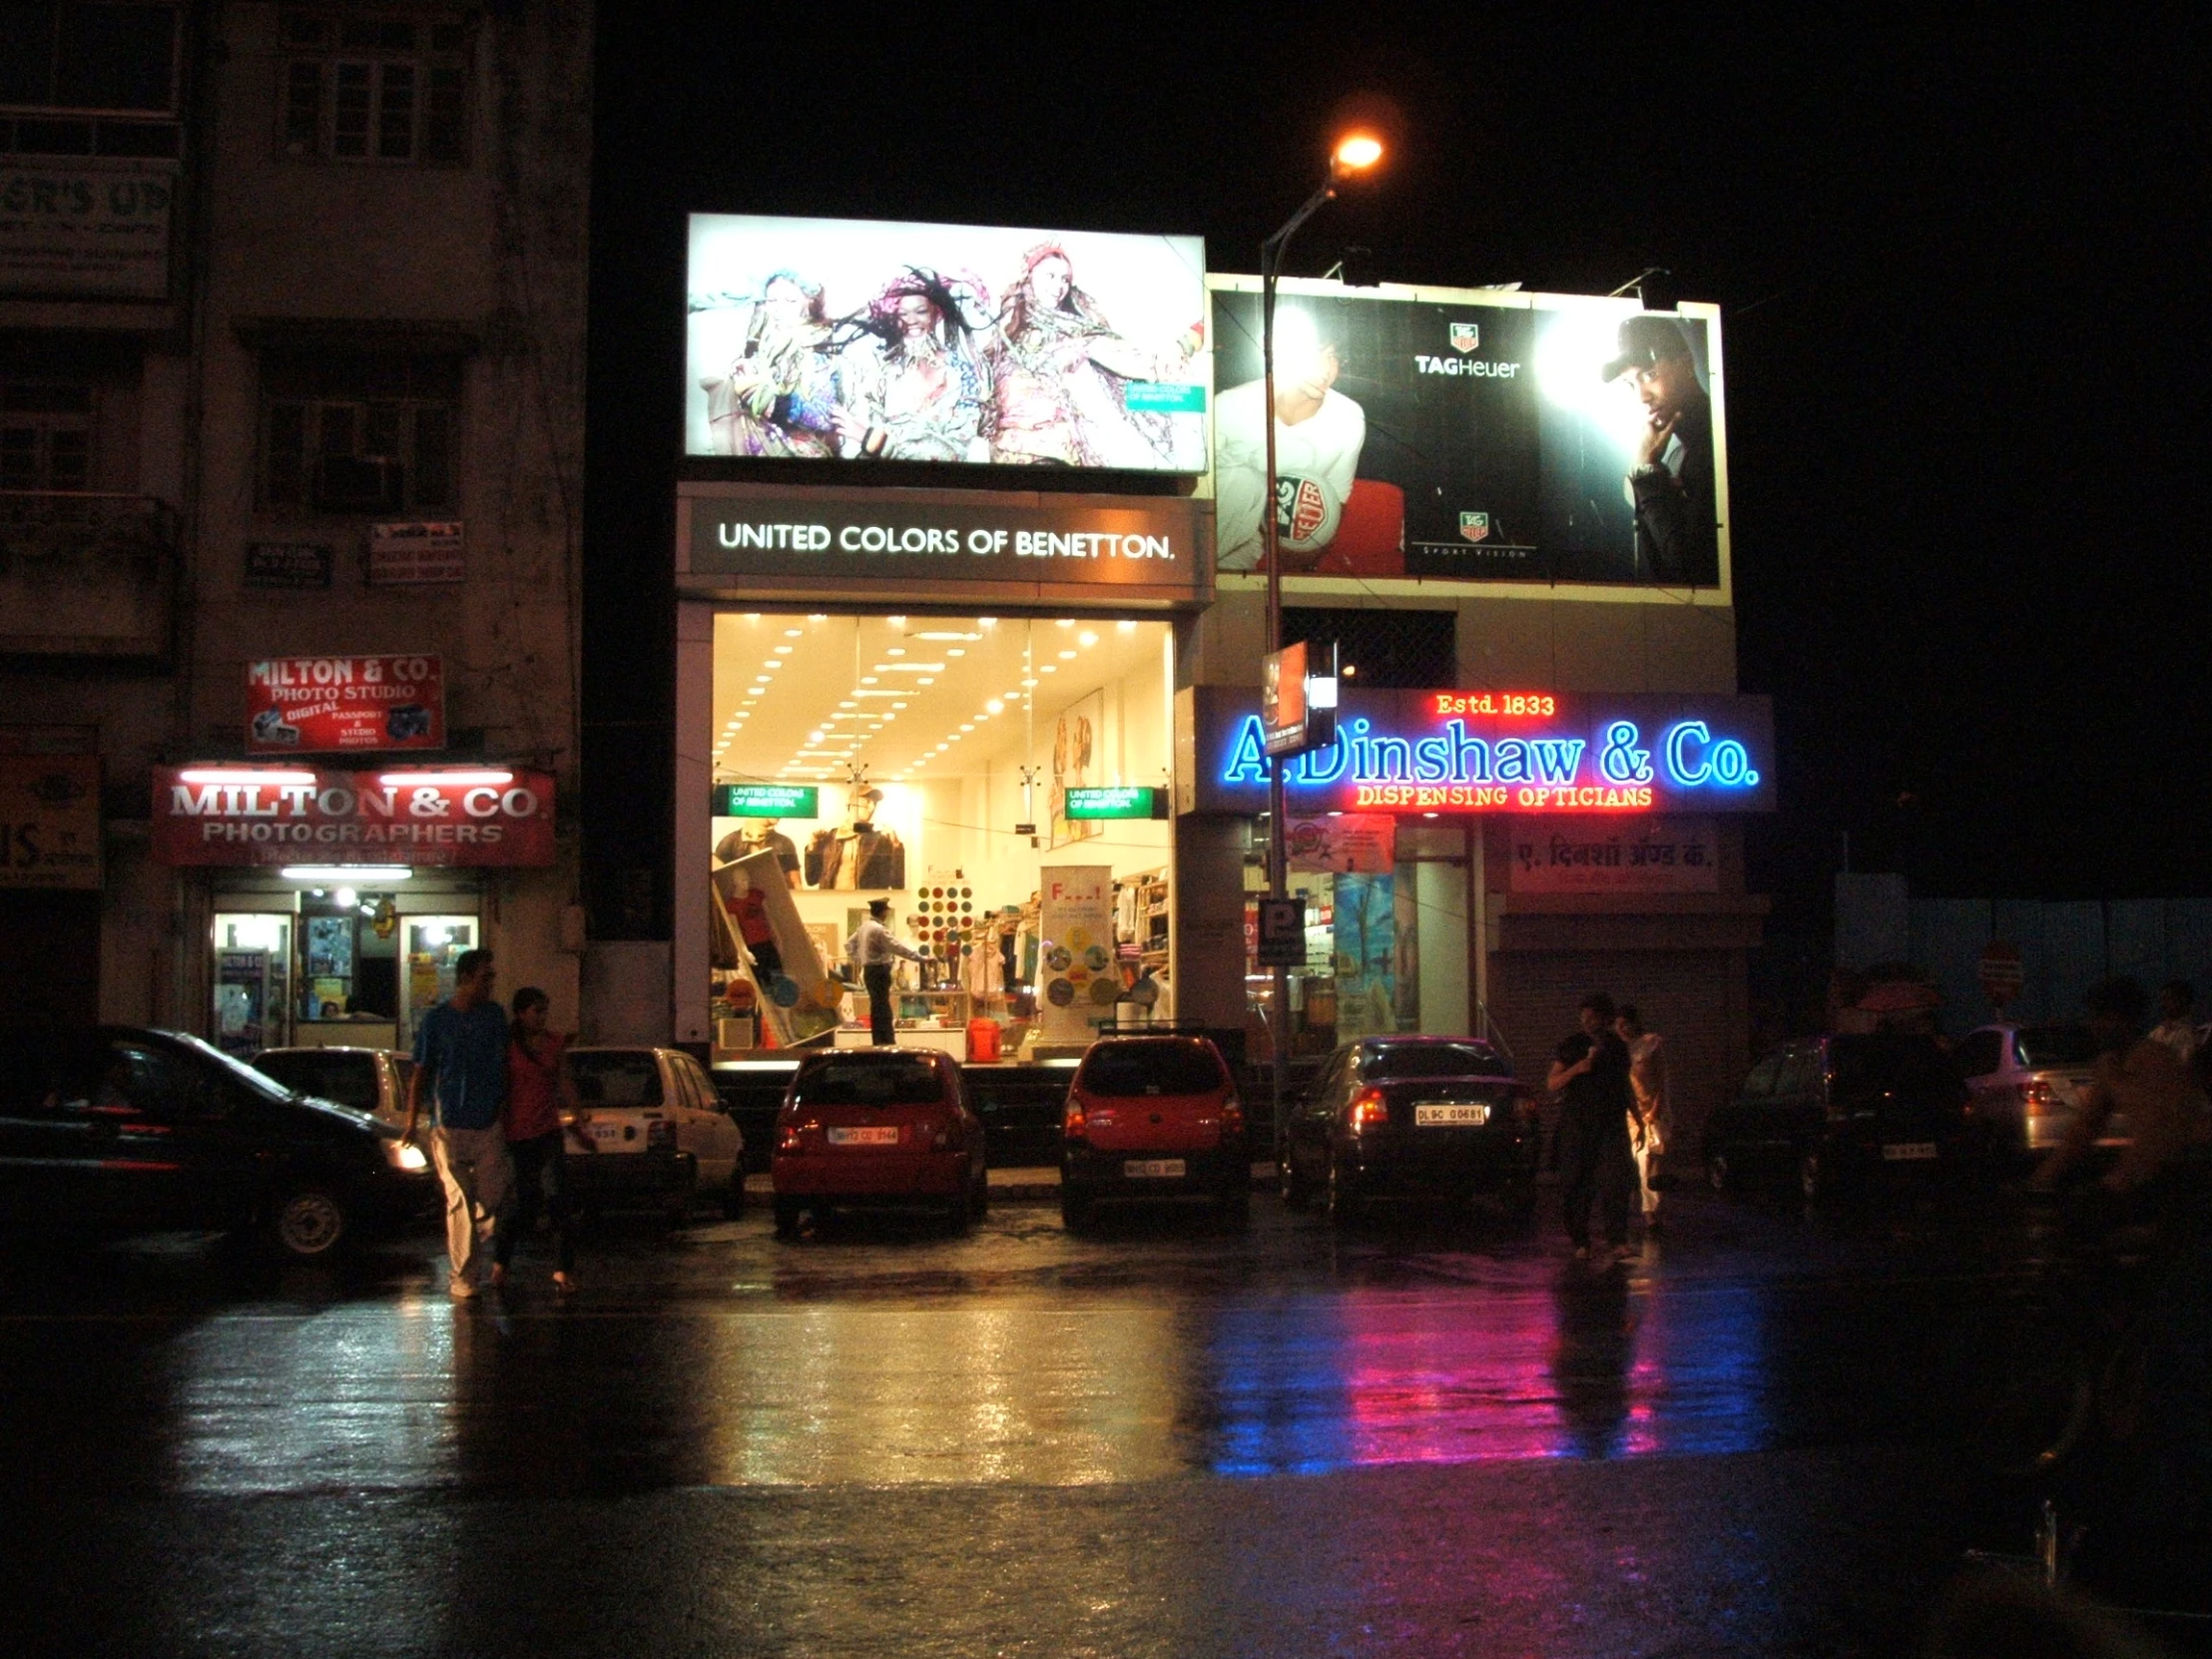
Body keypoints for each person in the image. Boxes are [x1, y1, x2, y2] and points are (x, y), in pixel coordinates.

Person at [989, 241, 1199, 468]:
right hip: (1006, 455)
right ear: (1029, 276)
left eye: (1065, 279)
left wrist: (1188, 342)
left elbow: (1132, 360)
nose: (1059, 286)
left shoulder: (1077, 333)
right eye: (1050, 275)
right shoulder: (1005, 334)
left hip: (1060, 455)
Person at [1213, 307, 1366, 572]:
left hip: (1252, 548)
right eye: (1316, 354)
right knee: (1245, 483)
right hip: (1205, 533)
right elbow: (1190, 491)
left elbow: (1334, 504)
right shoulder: (1229, 406)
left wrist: (1300, 567)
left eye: (1333, 357)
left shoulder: (1348, 418)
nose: (1327, 369)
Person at [2034, 976, 2212, 1197]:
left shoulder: (2155, 1060)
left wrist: (2121, 1179)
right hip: (2159, 1168)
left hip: (2193, 1163)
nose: (2094, 1026)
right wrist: (2042, 1177)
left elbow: (2161, 1131)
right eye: (2094, 1017)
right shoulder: (2110, 1064)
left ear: (2125, 1021)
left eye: (2103, 1018)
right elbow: (2085, 1127)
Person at [404, 949, 512, 1299]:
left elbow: (507, 1065)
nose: (491, 984)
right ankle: (464, 1278)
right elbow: (421, 1072)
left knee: (491, 1197)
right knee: (458, 1201)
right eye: (486, 977)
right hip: (449, 1123)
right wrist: (411, 1121)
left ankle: (476, 1241)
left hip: (487, 1122)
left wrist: (504, 1107)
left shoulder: (494, 1017)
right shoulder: (437, 1021)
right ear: (465, 979)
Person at [830, 269, 994, 463]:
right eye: (903, 314)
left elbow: (958, 451)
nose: (911, 321)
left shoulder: (960, 373)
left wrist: (875, 441)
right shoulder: (882, 373)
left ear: (936, 314)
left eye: (921, 311)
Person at [1602, 314, 1719, 585]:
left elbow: (1690, 572)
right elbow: (1664, 576)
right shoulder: (1679, 454)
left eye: (1650, 374)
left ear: (1686, 363)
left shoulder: (1715, 446)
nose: (1642, 396)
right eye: (1631, 384)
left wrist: (1646, 473)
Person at [697, 272, 838, 457]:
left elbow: (827, 416)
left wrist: (775, 403)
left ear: (809, 302)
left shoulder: (817, 348)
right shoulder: (767, 344)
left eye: (790, 301)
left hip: (803, 458)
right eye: (772, 301)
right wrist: (749, 372)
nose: (779, 308)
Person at [492, 986, 576, 1293]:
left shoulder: (554, 1043)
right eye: (536, 1011)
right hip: (517, 1133)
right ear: (521, 1013)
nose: (542, 1017)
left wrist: (578, 1115)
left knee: (557, 1198)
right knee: (521, 1202)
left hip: (547, 1130)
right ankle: (501, 1261)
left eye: (544, 1010)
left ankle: (563, 1269)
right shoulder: (509, 1045)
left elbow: (564, 1079)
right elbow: (501, 1087)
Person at [1547, 991, 1638, 1266]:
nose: (1588, 1022)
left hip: (1611, 1124)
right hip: (1578, 1125)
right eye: (1584, 1017)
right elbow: (1552, 1083)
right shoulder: (1572, 1046)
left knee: (1616, 1182)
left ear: (1606, 1019)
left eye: (1594, 1017)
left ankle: (1618, 1239)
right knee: (1577, 1184)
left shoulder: (1618, 1048)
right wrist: (1577, 1069)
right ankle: (1581, 1241)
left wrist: (1638, 1117)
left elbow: (1625, 1085)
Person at [1615, 1004, 1670, 1235]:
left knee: (1652, 1160)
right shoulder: (1618, 1050)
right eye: (1618, 1026)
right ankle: (1642, 1211)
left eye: (1625, 1024)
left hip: (1653, 1109)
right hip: (1629, 1112)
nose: (1622, 1029)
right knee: (1636, 1160)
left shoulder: (1651, 1043)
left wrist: (1655, 1109)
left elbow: (1661, 1078)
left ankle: (1652, 1210)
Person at [846, 897, 921, 1046]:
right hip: (880, 970)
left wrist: (860, 959)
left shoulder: (864, 926)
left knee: (876, 1007)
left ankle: (878, 1040)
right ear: (883, 912)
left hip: (869, 971)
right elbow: (898, 948)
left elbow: (849, 944)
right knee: (883, 1008)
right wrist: (922, 958)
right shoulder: (879, 930)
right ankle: (887, 1040)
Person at [732, 879, 782, 985]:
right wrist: (744, 950)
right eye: (743, 880)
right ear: (736, 882)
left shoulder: (756, 895)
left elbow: (769, 916)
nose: (746, 882)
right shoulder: (732, 904)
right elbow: (736, 930)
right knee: (760, 979)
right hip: (752, 945)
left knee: (777, 975)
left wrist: (777, 935)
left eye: (747, 879)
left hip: (767, 941)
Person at [2148, 979, 2198, 1064]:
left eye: (2168, 999)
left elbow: (2183, 1065)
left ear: (2183, 1001)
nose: (2163, 1004)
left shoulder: (2189, 1034)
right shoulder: (2157, 1032)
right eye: (2162, 999)